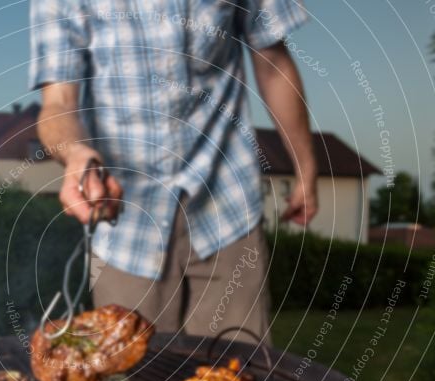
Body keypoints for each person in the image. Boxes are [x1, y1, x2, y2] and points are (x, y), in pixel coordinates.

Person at [31, 0, 318, 344]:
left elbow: (272, 60)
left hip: (226, 202)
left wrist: (306, 167)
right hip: (126, 227)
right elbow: (58, 101)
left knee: (238, 378)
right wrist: (76, 153)